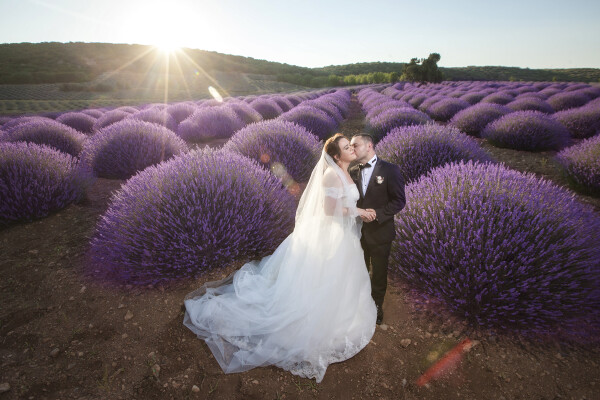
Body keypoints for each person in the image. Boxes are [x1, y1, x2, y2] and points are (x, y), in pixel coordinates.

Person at [183, 133, 377, 383]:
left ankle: (345, 313)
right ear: (337, 156)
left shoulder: (348, 171)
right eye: (346, 147)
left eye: (351, 145)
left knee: (341, 278)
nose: (351, 148)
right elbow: (329, 210)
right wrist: (358, 211)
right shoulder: (331, 174)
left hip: (343, 236)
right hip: (331, 237)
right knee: (324, 279)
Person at [349, 133, 406, 325]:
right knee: (360, 270)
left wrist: (379, 213)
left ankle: (376, 307)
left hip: (381, 231)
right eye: (350, 146)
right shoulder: (353, 171)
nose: (352, 149)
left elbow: (399, 201)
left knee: (379, 273)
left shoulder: (390, 170)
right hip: (358, 232)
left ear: (369, 146)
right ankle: (361, 304)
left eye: (355, 145)